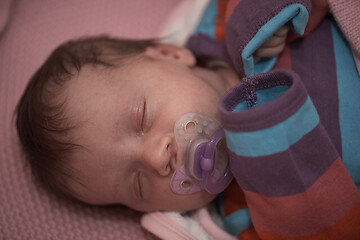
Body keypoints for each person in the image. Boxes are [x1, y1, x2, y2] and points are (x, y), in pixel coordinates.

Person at [15, 0, 360, 238]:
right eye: (138, 185)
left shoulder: (224, 29)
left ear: (170, 54)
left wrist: (260, 19)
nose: (156, 159)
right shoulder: (244, 215)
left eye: (141, 118)